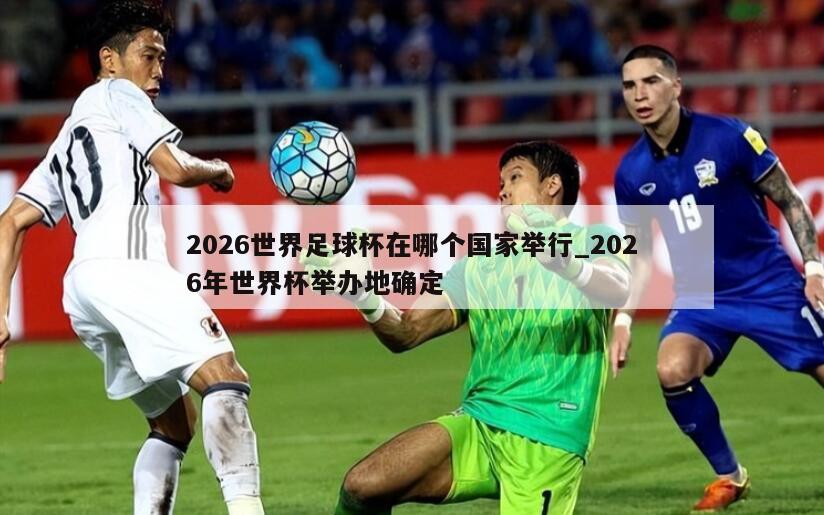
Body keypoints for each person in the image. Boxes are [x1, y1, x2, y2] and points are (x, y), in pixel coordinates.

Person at [0, 2, 265, 514]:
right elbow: (174, 167)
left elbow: (10, 220)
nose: (159, 70)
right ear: (110, 59)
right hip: (130, 270)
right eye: (149, 55)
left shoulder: (72, 130)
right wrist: (218, 169)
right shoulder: (121, 94)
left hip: (84, 292)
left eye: (163, 58)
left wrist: (1, 313)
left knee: (173, 425)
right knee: (226, 378)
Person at [304, 141, 631, 514]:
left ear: (552, 185)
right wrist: (364, 296)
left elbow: (618, 287)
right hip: (478, 423)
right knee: (364, 485)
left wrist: (565, 262)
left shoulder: (593, 238)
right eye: (500, 182)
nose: (502, 191)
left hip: (547, 435)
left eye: (515, 177)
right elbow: (406, 333)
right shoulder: (480, 264)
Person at [611, 45, 824, 511]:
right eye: (629, 85)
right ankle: (730, 477)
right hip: (701, 296)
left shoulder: (729, 137)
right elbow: (639, 253)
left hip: (767, 283)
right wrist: (624, 318)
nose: (639, 94)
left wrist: (813, 267)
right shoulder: (630, 172)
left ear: (676, 86)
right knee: (672, 369)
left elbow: (790, 199)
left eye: (650, 81)